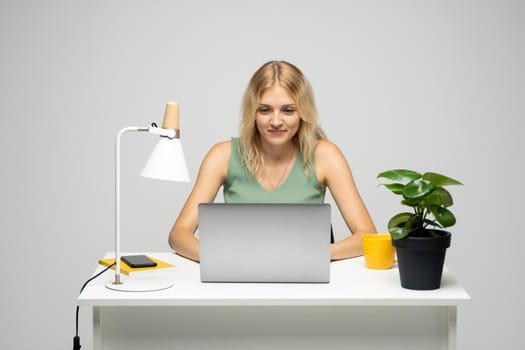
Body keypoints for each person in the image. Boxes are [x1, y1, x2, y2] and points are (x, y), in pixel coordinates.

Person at [169, 60, 376, 262]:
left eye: (288, 110)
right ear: (252, 112)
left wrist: (317, 255)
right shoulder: (222, 156)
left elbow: (367, 236)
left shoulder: (325, 156)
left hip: (304, 277)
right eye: (265, 110)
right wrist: (220, 257)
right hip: (238, 276)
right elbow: (178, 234)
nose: (276, 121)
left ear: (303, 112)